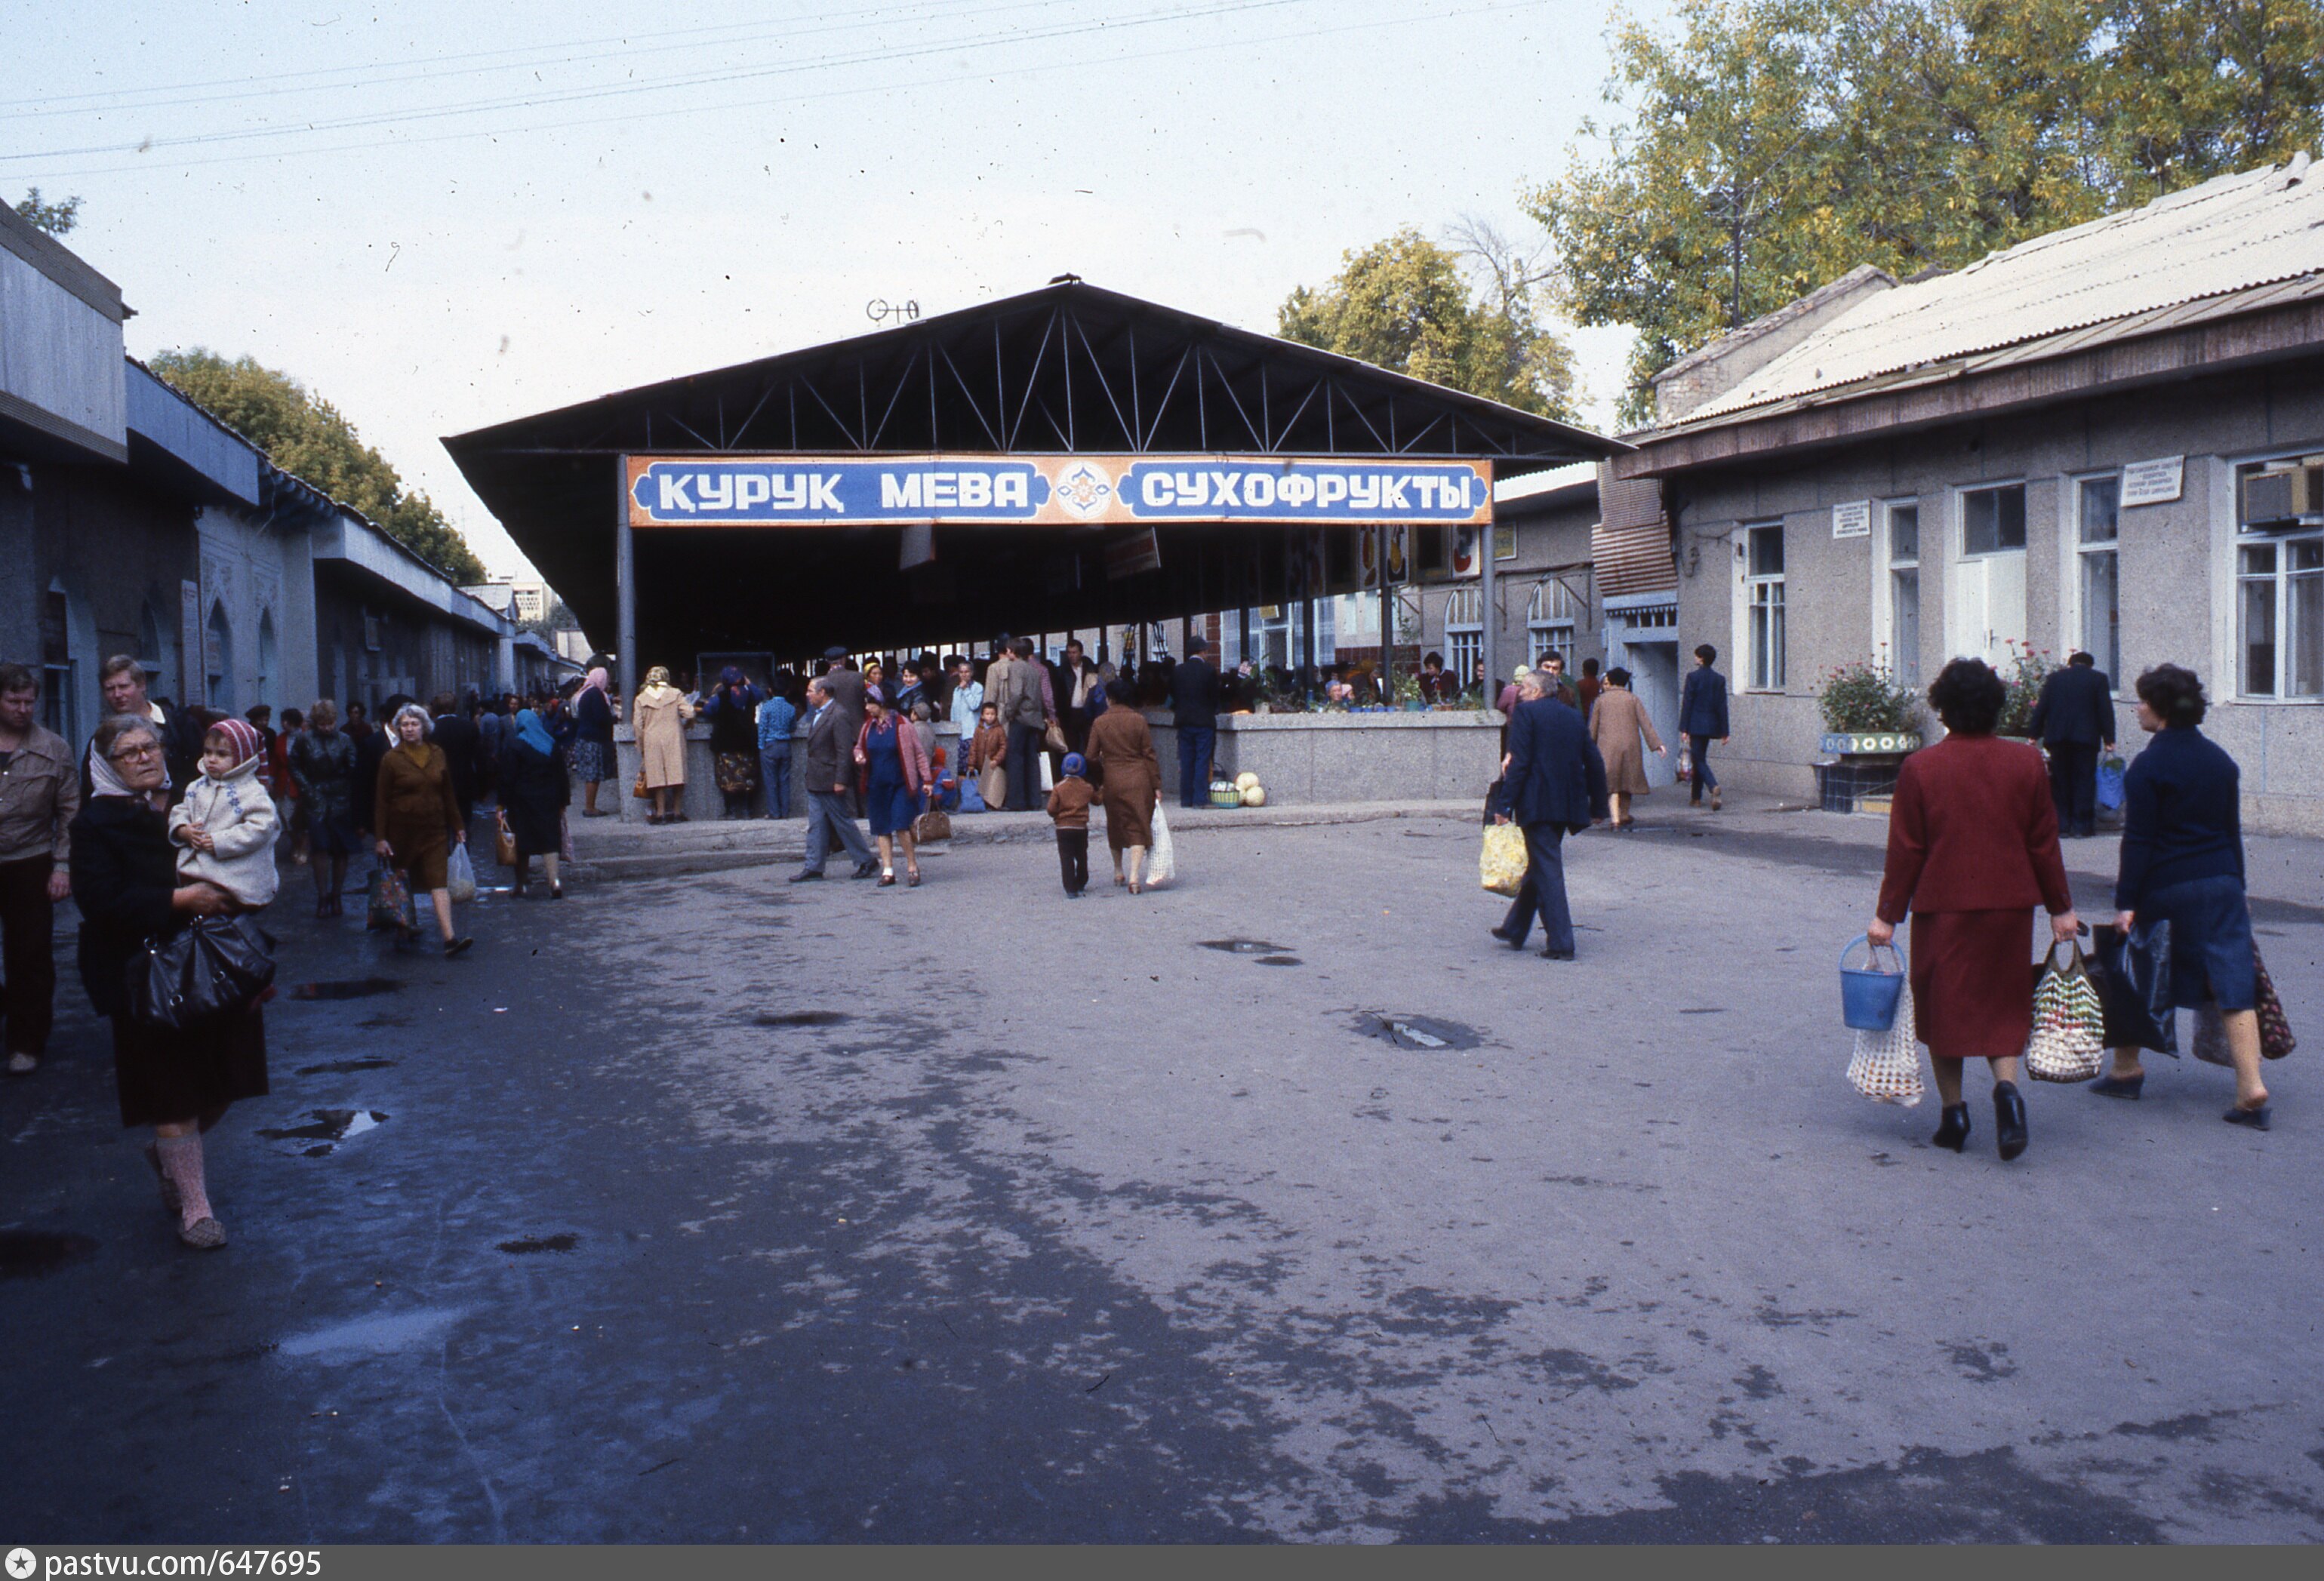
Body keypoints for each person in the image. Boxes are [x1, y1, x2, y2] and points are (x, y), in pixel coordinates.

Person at [1869, 657, 2078, 1161]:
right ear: (1993, 707)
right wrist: (2060, 908)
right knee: (2001, 999)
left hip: (1943, 906)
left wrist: (1886, 916)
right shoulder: (2026, 763)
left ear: (1942, 709)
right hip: (2009, 904)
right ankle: (2006, 1093)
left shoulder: (1920, 768)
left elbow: (1906, 851)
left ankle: (1954, 1113)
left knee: (1944, 1004)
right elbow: (2043, 843)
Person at [72, 714, 265, 1250]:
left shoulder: (196, 797)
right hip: (142, 973)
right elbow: (101, 902)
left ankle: (170, 1157)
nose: (143, 757)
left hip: (214, 959)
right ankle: (196, 1208)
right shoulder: (93, 825)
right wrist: (178, 899)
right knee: (172, 1089)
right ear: (106, 766)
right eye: (127, 752)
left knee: (226, 1078)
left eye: (149, 746)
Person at [2094, 665, 2270, 1126]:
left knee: (2137, 969)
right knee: (2234, 979)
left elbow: (2139, 841)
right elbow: (2231, 831)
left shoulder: (2148, 767)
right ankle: (2250, 1085)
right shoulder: (2220, 761)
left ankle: (2126, 1069)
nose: (2138, 710)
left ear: (2163, 709)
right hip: (2223, 882)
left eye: (2144, 702)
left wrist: (2126, 903)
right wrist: (2240, 887)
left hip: (2168, 885)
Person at [1491, 672, 1610, 960]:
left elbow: (1519, 762)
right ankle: (1515, 927)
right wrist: (1598, 807)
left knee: (1548, 870)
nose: (1518, 693)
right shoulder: (1571, 715)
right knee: (1541, 864)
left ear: (1534, 691)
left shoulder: (1527, 713)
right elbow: (1593, 759)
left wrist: (1504, 805)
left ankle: (1561, 943)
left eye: (1523, 688)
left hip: (1537, 802)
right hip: (1567, 804)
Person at [0, 663, 79, 1077]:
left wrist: (62, 865)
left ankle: (26, 1042)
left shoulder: (53, 748)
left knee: (29, 954)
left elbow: (69, 810)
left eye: (29, 701)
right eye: (13, 701)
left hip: (29, 861)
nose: (22, 709)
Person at [374, 703, 473, 957]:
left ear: (424, 727)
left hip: (434, 830)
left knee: (438, 881)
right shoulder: (392, 759)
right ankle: (403, 928)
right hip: (402, 832)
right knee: (402, 880)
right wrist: (381, 838)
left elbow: (448, 792)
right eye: (405, 725)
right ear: (399, 728)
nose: (409, 729)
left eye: (414, 724)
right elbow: (382, 801)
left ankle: (450, 938)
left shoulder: (437, 753)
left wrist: (458, 825)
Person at [168, 718, 279, 912]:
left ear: (242, 758)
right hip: (200, 870)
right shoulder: (198, 786)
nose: (211, 759)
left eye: (222, 754)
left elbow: (262, 827)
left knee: (228, 920)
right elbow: (181, 810)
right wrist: (183, 829)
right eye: (208, 752)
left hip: (238, 872)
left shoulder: (252, 792)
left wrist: (220, 841)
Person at [790, 678, 878, 882]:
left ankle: (866, 860)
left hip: (830, 780)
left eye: (811, 691)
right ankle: (813, 866)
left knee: (842, 822)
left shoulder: (838, 715)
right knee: (816, 825)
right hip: (816, 779)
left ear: (823, 693)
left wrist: (841, 780)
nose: (807, 694)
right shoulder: (818, 714)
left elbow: (843, 750)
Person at [82, 656, 200, 805]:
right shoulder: (102, 739)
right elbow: (90, 791)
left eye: (124, 686)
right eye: (110, 689)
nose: (117, 695)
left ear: (142, 685)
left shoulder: (181, 725)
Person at [2029, 651, 2117, 839]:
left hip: (2058, 738)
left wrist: (2033, 734)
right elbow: (2105, 710)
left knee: (2060, 781)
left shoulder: (2054, 679)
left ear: (2070, 664)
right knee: (2084, 780)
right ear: (2090, 665)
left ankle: (2062, 825)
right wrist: (2109, 738)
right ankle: (2082, 826)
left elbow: (2042, 707)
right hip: (2085, 739)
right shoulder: (2098, 679)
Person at [1085, 678, 1160, 894]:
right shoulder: (1139, 720)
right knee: (1138, 824)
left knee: (1116, 823)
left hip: (1113, 779)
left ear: (1110, 699)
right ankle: (1135, 877)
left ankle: (1118, 871)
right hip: (1139, 779)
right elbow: (1149, 754)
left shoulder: (1100, 722)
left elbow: (1090, 755)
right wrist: (1156, 785)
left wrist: (1102, 766)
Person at [289, 700, 361, 918]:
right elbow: (295, 765)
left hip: (340, 798)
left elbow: (354, 767)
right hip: (315, 796)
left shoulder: (345, 740)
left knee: (340, 849)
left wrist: (347, 781)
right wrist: (307, 789)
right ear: (315, 723)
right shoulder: (304, 740)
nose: (327, 728)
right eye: (322, 724)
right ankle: (322, 896)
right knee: (319, 847)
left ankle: (336, 895)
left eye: (330, 723)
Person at [854, 691, 930, 887]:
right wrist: (859, 756)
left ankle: (912, 867)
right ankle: (888, 871)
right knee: (881, 828)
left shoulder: (903, 725)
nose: (867, 708)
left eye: (870, 704)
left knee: (901, 825)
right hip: (877, 785)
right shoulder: (867, 727)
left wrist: (927, 780)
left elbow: (919, 754)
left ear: (881, 703)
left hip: (900, 784)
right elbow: (859, 747)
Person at [501, 707, 569, 900]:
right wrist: (563, 801)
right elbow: (561, 775)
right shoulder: (550, 743)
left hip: (521, 802)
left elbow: (508, 777)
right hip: (548, 799)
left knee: (522, 843)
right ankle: (554, 881)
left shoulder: (514, 745)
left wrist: (502, 803)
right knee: (550, 841)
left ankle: (521, 884)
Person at [1588, 667, 1667, 829]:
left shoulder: (1601, 700)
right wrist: (1657, 744)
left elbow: (1593, 727)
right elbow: (1646, 723)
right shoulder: (1633, 699)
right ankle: (1624, 814)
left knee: (1612, 783)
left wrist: (1587, 747)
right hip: (1631, 745)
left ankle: (1615, 819)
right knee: (1627, 780)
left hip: (1607, 747)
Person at [699, 666, 764, 820]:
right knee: (749, 777)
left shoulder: (719, 697)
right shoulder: (750, 696)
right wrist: (748, 683)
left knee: (727, 777)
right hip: (747, 742)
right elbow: (760, 695)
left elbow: (708, 711)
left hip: (725, 743)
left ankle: (731, 811)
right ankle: (748, 811)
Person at [999, 637, 1051, 813]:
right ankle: (1034, 799)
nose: (1007, 652)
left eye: (1009, 650)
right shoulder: (1033, 669)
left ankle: (1017, 801)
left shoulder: (1015, 667)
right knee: (1031, 759)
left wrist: (1008, 712)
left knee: (1015, 758)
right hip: (1034, 718)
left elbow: (1015, 693)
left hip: (1021, 717)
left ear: (1014, 652)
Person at [634, 666, 692, 825]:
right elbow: (690, 713)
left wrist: (641, 745)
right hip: (673, 737)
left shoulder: (641, 698)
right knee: (677, 774)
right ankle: (677, 812)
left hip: (652, 739)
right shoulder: (676, 693)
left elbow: (638, 726)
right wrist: (688, 725)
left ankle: (660, 813)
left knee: (657, 775)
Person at [1679, 644, 1731, 813]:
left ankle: (1713, 785)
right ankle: (1695, 798)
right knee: (1698, 758)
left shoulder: (1692, 677)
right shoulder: (1719, 679)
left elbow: (1688, 703)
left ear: (1701, 658)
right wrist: (1725, 731)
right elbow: (1722, 706)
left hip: (1695, 724)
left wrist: (1684, 728)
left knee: (1699, 760)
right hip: (1711, 725)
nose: (1695, 658)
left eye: (1696, 656)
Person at [1171, 637, 1221, 808]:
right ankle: (1200, 799)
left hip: (1184, 721)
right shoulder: (1208, 671)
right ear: (1202, 651)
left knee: (1186, 759)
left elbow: (1174, 696)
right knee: (1202, 759)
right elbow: (1215, 696)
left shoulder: (1178, 670)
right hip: (1204, 721)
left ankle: (1186, 799)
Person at [572, 668, 619, 817]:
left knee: (591, 773)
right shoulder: (596, 694)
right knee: (593, 773)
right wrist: (614, 719)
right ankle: (590, 807)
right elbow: (600, 717)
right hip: (593, 739)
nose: (607, 682)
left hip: (585, 737)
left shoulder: (585, 693)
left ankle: (590, 806)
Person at [1048, 751, 1094, 897]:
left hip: (1063, 828)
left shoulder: (1059, 787)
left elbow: (1051, 809)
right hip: (1081, 827)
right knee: (1081, 856)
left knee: (1066, 858)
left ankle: (1071, 889)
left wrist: (1058, 816)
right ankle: (1081, 882)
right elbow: (1097, 801)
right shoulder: (1087, 787)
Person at [1052, 638, 1101, 758]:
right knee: (1071, 746)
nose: (1071, 656)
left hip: (1087, 712)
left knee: (1090, 746)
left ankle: (1090, 773)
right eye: (1069, 652)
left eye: (1074, 652)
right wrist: (1056, 714)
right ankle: (1074, 773)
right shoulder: (1063, 671)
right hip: (1069, 713)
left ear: (1081, 653)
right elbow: (1058, 695)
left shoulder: (1090, 669)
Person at [757, 676, 798, 820]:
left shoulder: (766, 707)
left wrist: (761, 746)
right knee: (784, 780)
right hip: (785, 745)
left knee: (771, 780)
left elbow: (762, 728)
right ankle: (785, 812)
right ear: (787, 691)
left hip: (770, 745)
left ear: (770, 691)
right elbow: (793, 727)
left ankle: (774, 812)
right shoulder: (791, 708)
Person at [965, 700, 1008, 811]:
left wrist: (996, 760)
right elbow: (973, 747)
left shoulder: (999, 730)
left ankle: (992, 803)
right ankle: (980, 803)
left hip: (992, 763)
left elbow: (1003, 747)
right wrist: (971, 764)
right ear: (983, 716)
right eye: (987, 714)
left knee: (992, 784)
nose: (990, 717)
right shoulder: (978, 730)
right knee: (980, 784)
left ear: (996, 715)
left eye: (992, 714)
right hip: (980, 762)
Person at [945, 655, 984, 760]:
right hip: (959, 732)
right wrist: (953, 728)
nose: (964, 675)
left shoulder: (978, 687)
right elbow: (953, 710)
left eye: (966, 672)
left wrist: (966, 690)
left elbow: (975, 706)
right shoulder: (957, 690)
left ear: (971, 673)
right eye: (961, 672)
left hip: (971, 732)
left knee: (971, 762)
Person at [1575, 658, 1604, 723]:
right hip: (1597, 716)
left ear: (1585, 670)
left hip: (1582, 717)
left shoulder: (1579, 685)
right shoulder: (1600, 686)